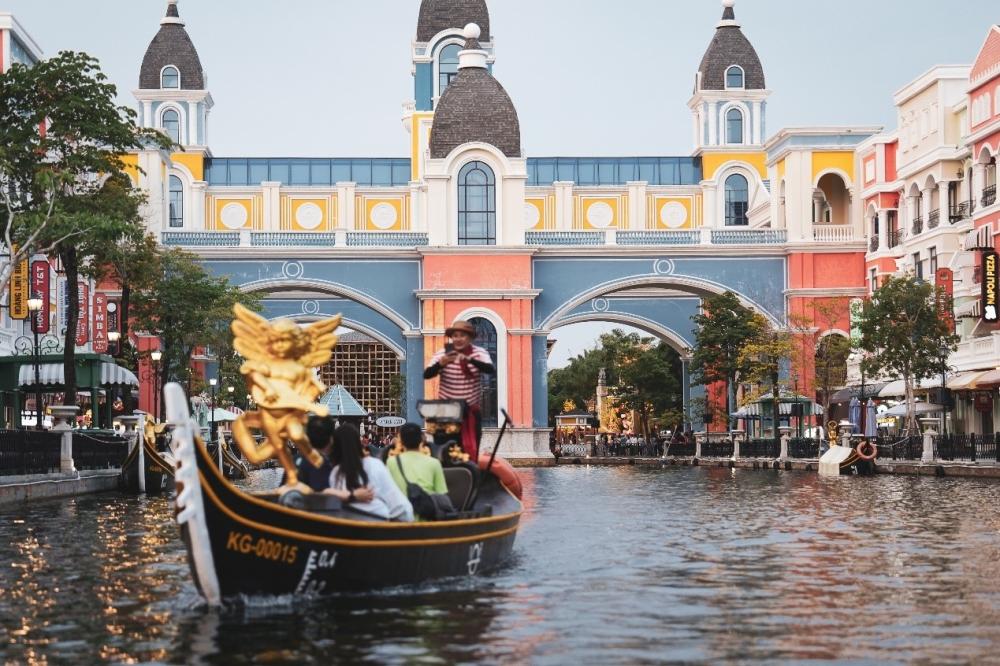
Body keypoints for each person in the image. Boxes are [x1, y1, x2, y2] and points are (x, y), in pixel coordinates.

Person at [423, 320, 495, 459]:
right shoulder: (442, 354)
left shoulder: (479, 353)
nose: (458, 339)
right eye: (455, 335)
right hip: (447, 412)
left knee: (469, 449)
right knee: (444, 451)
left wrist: (469, 360)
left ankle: (469, 475)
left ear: (469, 338)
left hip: (470, 412)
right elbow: (427, 374)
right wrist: (440, 364)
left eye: (462, 335)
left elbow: (489, 369)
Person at [326, 423, 413, 522]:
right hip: (379, 525)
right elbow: (399, 505)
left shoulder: (335, 473)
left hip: (347, 528)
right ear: (358, 443)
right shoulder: (374, 465)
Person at [388, 423, 449, 496]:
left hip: (401, 506)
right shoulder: (434, 463)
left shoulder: (391, 462)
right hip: (427, 506)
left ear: (401, 441)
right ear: (421, 439)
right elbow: (442, 494)